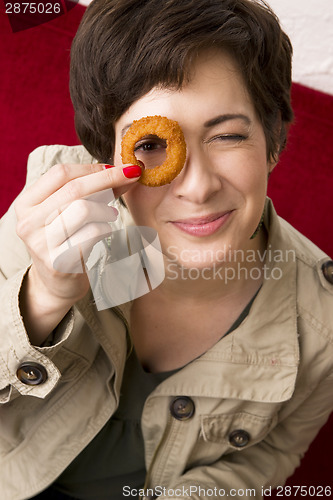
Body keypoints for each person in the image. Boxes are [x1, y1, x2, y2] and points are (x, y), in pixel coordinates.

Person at [0, 0, 332, 499]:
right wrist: (44, 297)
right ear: (105, 155)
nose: (196, 187)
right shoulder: (53, 213)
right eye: (151, 145)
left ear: (273, 143)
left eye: (227, 135)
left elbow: (271, 454)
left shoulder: (322, 325)